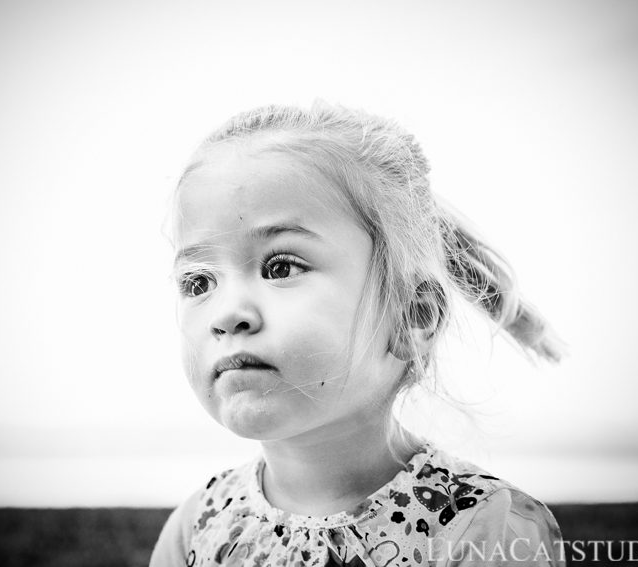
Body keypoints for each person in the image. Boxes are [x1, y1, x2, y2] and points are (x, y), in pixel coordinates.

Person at [150, 102, 565, 566]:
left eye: (281, 267)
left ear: (413, 317)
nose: (227, 314)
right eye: (198, 282)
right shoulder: (197, 527)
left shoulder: (485, 530)